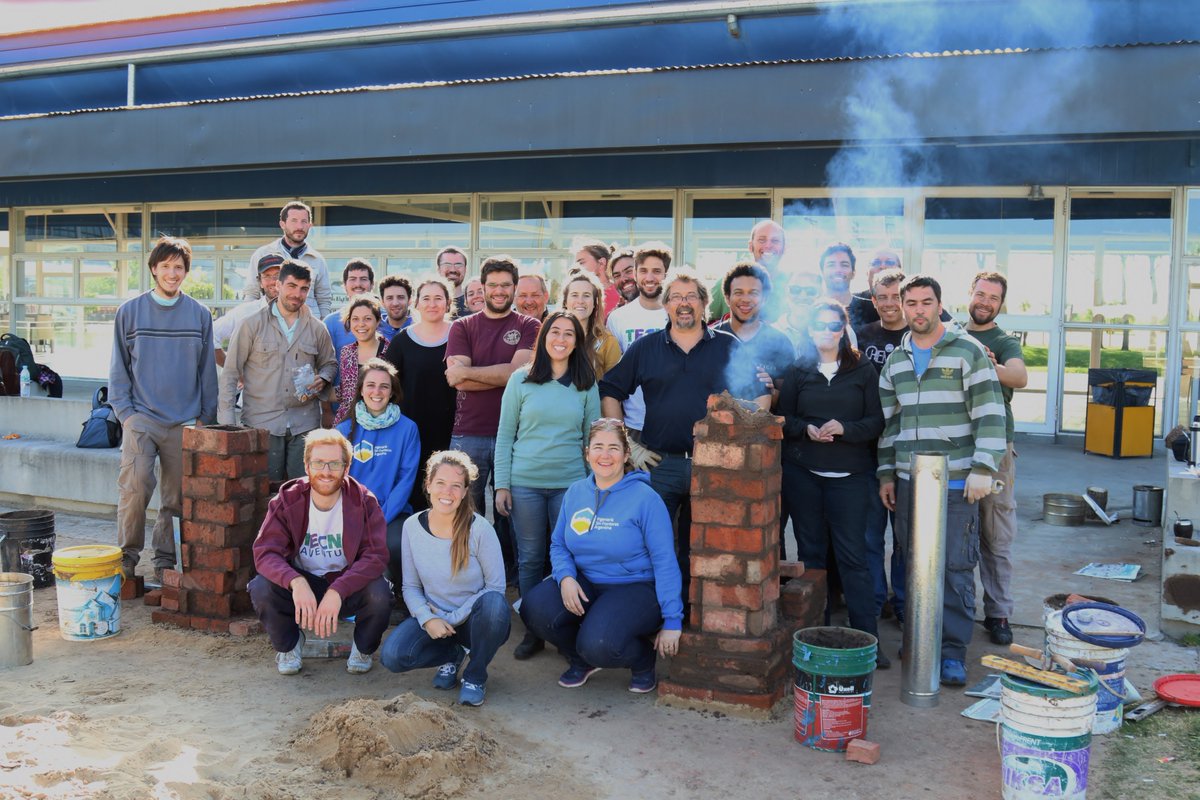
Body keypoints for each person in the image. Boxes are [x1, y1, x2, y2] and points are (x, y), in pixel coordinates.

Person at [600, 269, 769, 599]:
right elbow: (609, 389)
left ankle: (696, 615)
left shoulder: (727, 345)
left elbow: (761, 392)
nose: (684, 304)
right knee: (653, 545)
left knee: (706, 548)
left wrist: (746, 442)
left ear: (705, 303)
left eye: (691, 296)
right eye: (676, 297)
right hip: (659, 465)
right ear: (665, 305)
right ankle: (657, 611)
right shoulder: (646, 348)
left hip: (714, 467)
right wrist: (626, 445)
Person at [877, 274, 1006, 687]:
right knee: (913, 564)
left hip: (955, 483)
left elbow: (990, 412)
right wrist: (886, 473)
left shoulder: (966, 351)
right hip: (909, 481)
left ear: (939, 304)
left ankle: (951, 651)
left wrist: (984, 468)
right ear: (901, 306)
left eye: (926, 302)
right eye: (910, 303)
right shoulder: (895, 362)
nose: (918, 310)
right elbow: (889, 424)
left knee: (953, 567)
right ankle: (920, 641)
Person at [520, 418, 683, 693]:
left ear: (626, 454)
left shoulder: (646, 498)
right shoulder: (575, 493)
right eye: (597, 447)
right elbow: (559, 544)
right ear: (587, 453)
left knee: (598, 644)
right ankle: (580, 660)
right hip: (586, 580)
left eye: (613, 448)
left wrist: (673, 620)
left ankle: (642, 660)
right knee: (534, 609)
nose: (604, 455)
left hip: (635, 586)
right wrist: (566, 578)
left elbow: (665, 560)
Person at [778, 299, 888, 668]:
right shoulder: (798, 370)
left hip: (851, 478)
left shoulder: (863, 370)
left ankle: (867, 641)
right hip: (804, 475)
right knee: (811, 556)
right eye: (820, 325)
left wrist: (845, 428)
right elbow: (784, 418)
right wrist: (805, 429)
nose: (827, 331)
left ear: (843, 330)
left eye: (834, 325)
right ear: (810, 330)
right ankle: (814, 641)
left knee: (853, 558)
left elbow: (876, 422)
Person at [110, 236, 218, 581]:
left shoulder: (199, 315)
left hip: (185, 421)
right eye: (166, 266)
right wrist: (125, 414)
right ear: (154, 269)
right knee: (136, 487)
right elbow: (118, 369)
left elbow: (207, 371)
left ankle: (164, 563)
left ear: (186, 271)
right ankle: (126, 558)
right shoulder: (130, 312)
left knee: (175, 499)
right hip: (141, 417)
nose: (173, 273)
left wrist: (205, 417)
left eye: (179, 267)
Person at [494, 311, 601, 659]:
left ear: (577, 342)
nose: (561, 339)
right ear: (543, 338)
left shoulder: (586, 383)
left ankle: (567, 627)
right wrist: (502, 485)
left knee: (568, 559)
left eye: (569, 334)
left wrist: (594, 487)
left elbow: (592, 438)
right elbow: (505, 435)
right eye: (555, 332)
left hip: (570, 487)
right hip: (524, 483)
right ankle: (534, 630)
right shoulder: (520, 380)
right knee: (529, 559)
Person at [248, 428, 393, 676]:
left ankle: (363, 648)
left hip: (347, 584)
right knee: (261, 587)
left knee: (380, 594)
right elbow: (265, 552)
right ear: (306, 466)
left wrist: (339, 589)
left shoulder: (364, 501)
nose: (326, 472)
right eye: (318, 463)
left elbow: (375, 556)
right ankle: (290, 645)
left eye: (334, 464)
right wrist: (295, 581)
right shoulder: (286, 500)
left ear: (346, 468)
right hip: (303, 586)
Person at [380, 451, 510, 707]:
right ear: (428, 485)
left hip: (473, 619)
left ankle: (475, 674)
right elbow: (411, 586)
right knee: (393, 656)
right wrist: (428, 619)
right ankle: (452, 654)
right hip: (436, 617)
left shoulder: (480, 529)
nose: (447, 492)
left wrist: (450, 618)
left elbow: (496, 588)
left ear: (464, 492)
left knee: (495, 605)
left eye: (455, 486)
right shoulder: (412, 526)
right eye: (440, 483)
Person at [445, 256, 541, 578]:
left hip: (515, 433)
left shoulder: (529, 325)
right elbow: (454, 379)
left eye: (505, 285)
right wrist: (498, 374)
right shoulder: (462, 326)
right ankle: (467, 569)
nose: (499, 292)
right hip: (468, 432)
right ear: (481, 288)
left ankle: (509, 575)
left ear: (514, 288)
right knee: (464, 507)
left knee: (510, 511)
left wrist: (469, 373)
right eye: (493, 285)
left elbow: (517, 373)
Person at [219, 260, 337, 482]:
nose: (297, 294)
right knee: (261, 493)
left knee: (301, 492)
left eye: (304, 289)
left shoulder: (317, 328)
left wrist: (323, 377)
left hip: (304, 424)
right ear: (278, 285)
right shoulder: (251, 325)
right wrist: (227, 424)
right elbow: (230, 373)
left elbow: (330, 363)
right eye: (291, 286)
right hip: (262, 424)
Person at [964, 271, 1027, 647]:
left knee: (996, 534)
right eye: (981, 294)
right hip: (956, 444)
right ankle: (953, 609)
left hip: (997, 448)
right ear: (969, 294)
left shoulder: (1003, 341)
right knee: (954, 534)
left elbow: (1019, 376)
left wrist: (991, 366)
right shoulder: (951, 331)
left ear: (1001, 304)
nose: (985, 302)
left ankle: (998, 612)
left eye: (993, 298)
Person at [336, 358, 421, 598]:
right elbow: (335, 482)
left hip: (392, 512)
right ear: (361, 390)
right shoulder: (343, 431)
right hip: (351, 512)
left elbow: (406, 479)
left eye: (384, 386)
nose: (377, 391)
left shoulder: (408, 429)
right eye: (370, 385)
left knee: (394, 544)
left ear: (393, 391)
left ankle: (402, 598)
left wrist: (379, 518)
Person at [856, 267, 910, 623]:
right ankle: (874, 604)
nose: (890, 304)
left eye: (897, 296)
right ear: (873, 301)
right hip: (866, 450)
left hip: (907, 447)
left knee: (906, 538)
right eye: (883, 297)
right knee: (870, 535)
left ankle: (906, 606)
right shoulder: (862, 337)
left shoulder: (920, 336)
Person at [384, 277, 457, 512]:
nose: (432, 304)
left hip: (454, 430)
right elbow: (389, 387)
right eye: (426, 298)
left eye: (438, 298)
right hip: (413, 431)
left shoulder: (460, 335)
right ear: (416, 303)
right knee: (417, 492)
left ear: (448, 303)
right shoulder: (402, 341)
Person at [603, 242, 671, 450]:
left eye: (657, 271)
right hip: (635, 424)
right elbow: (613, 377)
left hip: (673, 423)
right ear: (636, 273)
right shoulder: (618, 318)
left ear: (667, 274)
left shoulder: (678, 313)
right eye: (643, 271)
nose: (649, 278)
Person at [711, 262, 794, 408]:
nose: (746, 299)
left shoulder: (780, 342)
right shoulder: (710, 338)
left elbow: (790, 400)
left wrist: (769, 390)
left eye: (753, 293)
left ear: (765, 298)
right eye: (738, 292)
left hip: (762, 428)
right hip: (714, 426)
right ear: (727, 297)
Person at [244, 200, 332, 317]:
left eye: (304, 221)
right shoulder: (262, 254)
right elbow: (251, 294)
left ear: (310, 225)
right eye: (294, 221)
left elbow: (324, 299)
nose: (299, 226)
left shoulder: (318, 260)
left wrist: (322, 327)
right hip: (270, 325)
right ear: (282, 224)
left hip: (307, 328)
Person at [709, 220, 787, 321]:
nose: (768, 245)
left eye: (775, 241)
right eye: (762, 240)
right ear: (750, 246)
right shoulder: (726, 283)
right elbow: (706, 326)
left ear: (784, 247)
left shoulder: (796, 288)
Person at [215, 253, 282, 367]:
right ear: (260, 282)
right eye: (266, 276)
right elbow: (210, 336)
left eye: (278, 275)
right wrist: (233, 370)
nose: (273, 281)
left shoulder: (301, 315)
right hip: (254, 384)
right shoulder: (245, 312)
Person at [332, 294, 389, 425]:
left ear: (378, 321)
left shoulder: (389, 351)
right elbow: (346, 391)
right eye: (355, 319)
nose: (361, 324)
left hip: (380, 421)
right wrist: (318, 388)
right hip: (348, 420)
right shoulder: (347, 352)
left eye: (367, 319)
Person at [562, 269, 622, 377]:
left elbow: (615, 386)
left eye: (586, 295)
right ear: (565, 302)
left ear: (595, 302)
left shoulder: (607, 341)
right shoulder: (553, 337)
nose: (580, 301)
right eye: (574, 295)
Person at [322, 259, 376, 354]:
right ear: (344, 285)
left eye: (363, 279)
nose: (358, 284)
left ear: (372, 284)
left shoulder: (385, 319)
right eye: (352, 279)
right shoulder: (330, 323)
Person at [849, 248, 902, 331]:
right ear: (867, 272)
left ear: (900, 270)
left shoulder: (911, 301)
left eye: (890, 262)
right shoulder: (853, 303)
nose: (883, 266)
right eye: (876, 262)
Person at [773, 271, 823, 355]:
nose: (803, 296)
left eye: (811, 291)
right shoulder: (770, 332)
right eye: (795, 290)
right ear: (786, 292)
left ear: (820, 294)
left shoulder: (837, 330)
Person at [574, 238, 622, 317]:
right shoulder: (576, 295)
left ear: (601, 262)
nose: (577, 267)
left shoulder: (621, 292)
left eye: (581, 262)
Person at [436, 246, 469, 316]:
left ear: (466, 269)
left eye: (458, 265)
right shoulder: (429, 303)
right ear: (438, 269)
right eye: (447, 265)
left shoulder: (474, 301)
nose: (453, 270)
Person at [378, 274, 413, 339]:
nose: (395, 303)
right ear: (382, 302)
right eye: (389, 298)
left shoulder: (420, 330)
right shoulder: (375, 330)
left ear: (410, 300)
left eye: (400, 297)